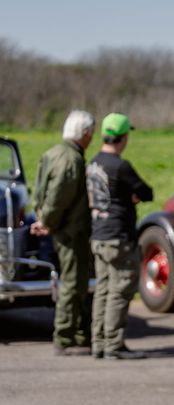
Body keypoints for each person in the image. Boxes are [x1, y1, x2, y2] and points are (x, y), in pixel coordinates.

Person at [86, 112, 153, 360]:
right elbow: (146, 191)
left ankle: (98, 343)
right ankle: (113, 345)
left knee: (102, 290)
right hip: (118, 237)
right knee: (120, 290)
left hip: (98, 235)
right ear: (123, 137)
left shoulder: (93, 163)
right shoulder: (121, 166)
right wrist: (131, 196)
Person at [31, 110, 95, 356]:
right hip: (71, 232)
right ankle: (65, 336)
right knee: (72, 284)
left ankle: (78, 332)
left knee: (75, 282)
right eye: (91, 133)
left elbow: (41, 191)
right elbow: (59, 197)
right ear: (85, 134)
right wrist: (48, 220)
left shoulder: (52, 153)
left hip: (61, 229)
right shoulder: (71, 160)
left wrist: (43, 218)